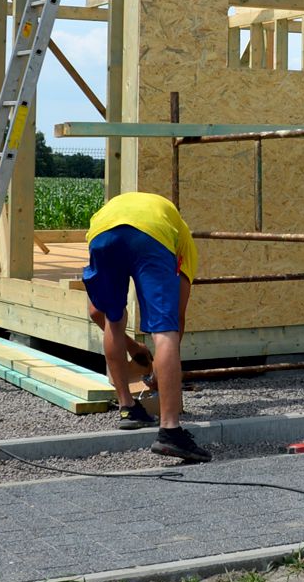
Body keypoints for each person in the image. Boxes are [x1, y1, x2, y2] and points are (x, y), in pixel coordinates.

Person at [82, 191, 211, 462]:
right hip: (150, 235)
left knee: (114, 319)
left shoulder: (109, 217)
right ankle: (170, 431)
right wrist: (157, 375)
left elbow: (96, 311)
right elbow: (177, 317)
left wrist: (134, 347)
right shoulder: (182, 239)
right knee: (165, 329)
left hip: (101, 233)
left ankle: (128, 408)